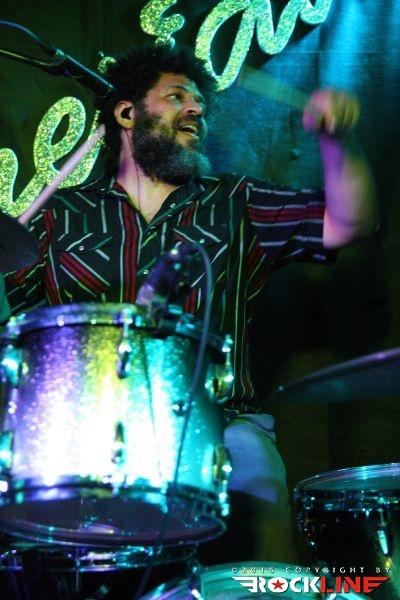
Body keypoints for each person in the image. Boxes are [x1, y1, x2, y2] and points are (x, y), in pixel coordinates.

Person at [2, 44, 377, 566]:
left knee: (258, 493)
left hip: (219, 424)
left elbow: (348, 222)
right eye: (177, 96)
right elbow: (16, 330)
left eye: (199, 101)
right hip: (79, 435)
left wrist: (337, 143)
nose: (196, 109)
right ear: (127, 113)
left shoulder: (235, 202)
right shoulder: (59, 214)